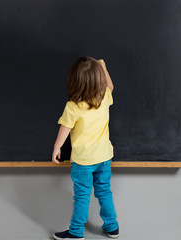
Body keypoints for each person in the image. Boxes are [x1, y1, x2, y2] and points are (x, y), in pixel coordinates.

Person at [51, 56, 119, 240]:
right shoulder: (104, 97)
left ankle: (75, 232)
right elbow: (110, 86)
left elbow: (64, 129)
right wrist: (104, 68)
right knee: (104, 191)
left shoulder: (73, 106)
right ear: (99, 79)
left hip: (83, 161)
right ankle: (112, 227)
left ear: (75, 80)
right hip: (104, 157)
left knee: (82, 196)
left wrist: (57, 147)